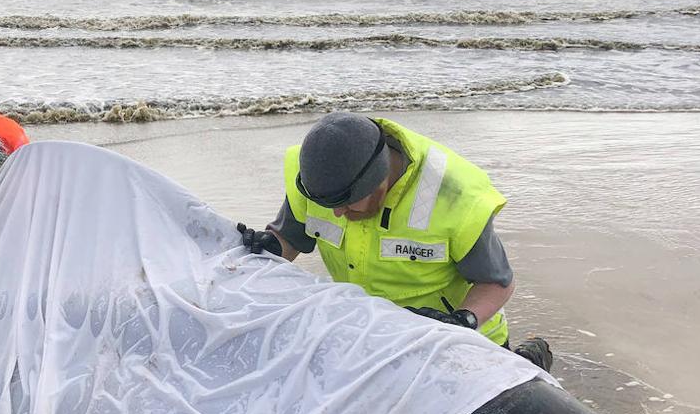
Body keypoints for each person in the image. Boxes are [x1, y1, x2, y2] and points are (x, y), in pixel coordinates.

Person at [237, 112, 552, 370]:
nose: (336, 212)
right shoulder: (320, 177)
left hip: (463, 338)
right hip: (374, 336)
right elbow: (289, 238)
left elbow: (497, 283)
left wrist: (460, 322)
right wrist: (268, 246)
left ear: (381, 183)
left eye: (348, 205)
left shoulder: (456, 198)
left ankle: (532, 356)